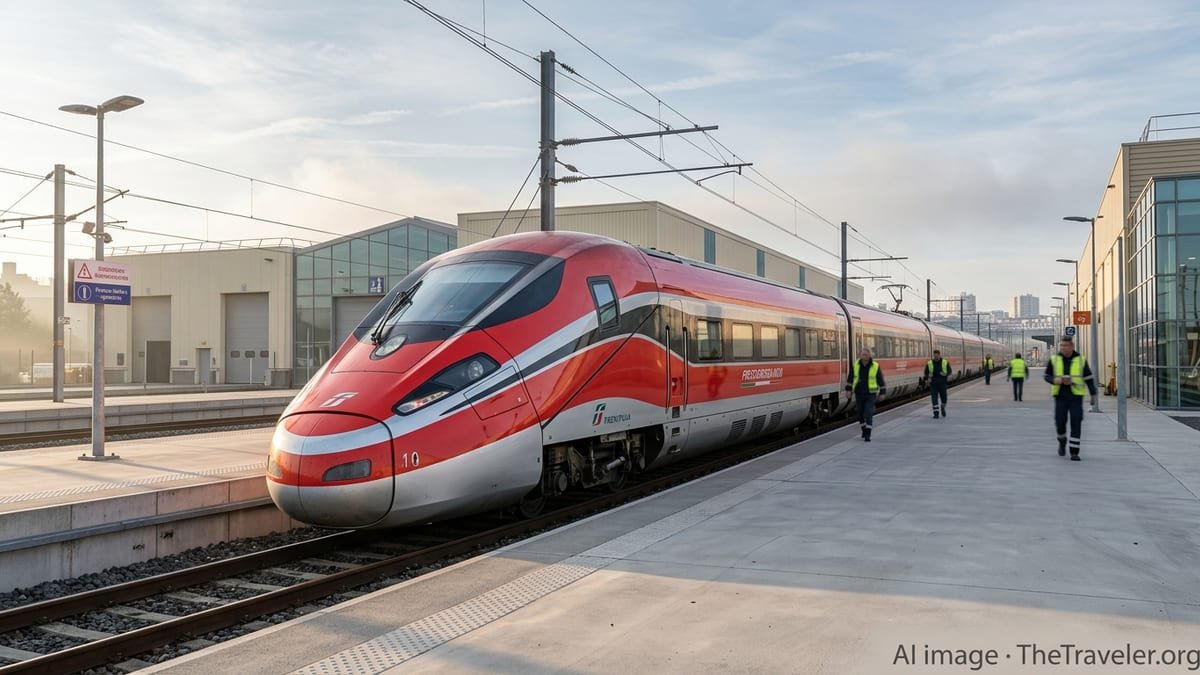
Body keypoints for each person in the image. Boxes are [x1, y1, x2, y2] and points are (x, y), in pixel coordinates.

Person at [1042, 336, 1098, 461]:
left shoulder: (1081, 360)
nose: (1063, 348)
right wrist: (1055, 380)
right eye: (1061, 345)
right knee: (1060, 422)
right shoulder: (1054, 359)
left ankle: (1074, 452)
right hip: (1060, 396)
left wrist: (1093, 394)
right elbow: (1047, 376)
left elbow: (1088, 378)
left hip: (1076, 397)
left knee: (1076, 422)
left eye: (1066, 345)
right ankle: (1062, 441)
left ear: (1072, 346)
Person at [845, 347, 886, 442]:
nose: (864, 356)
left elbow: (880, 380)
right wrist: (848, 390)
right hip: (859, 393)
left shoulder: (875, 366)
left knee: (868, 413)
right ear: (860, 355)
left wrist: (882, 392)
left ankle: (868, 433)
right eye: (863, 354)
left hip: (870, 394)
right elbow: (850, 378)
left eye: (866, 355)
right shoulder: (856, 365)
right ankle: (864, 429)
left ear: (870, 356)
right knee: (859, 414)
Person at [926, 349, 951, 418]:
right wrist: (928, 376)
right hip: (933, 384)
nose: (936, 357)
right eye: (934, 356)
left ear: (939, 355)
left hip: (942, 383)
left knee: (944, 398)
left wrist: (945, 374)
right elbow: (926, 372)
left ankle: (943, 406)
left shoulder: (945, 362)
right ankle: (936, 413)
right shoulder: (930, 363)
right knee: (934, 399)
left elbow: (949, 371)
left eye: (937, 356)